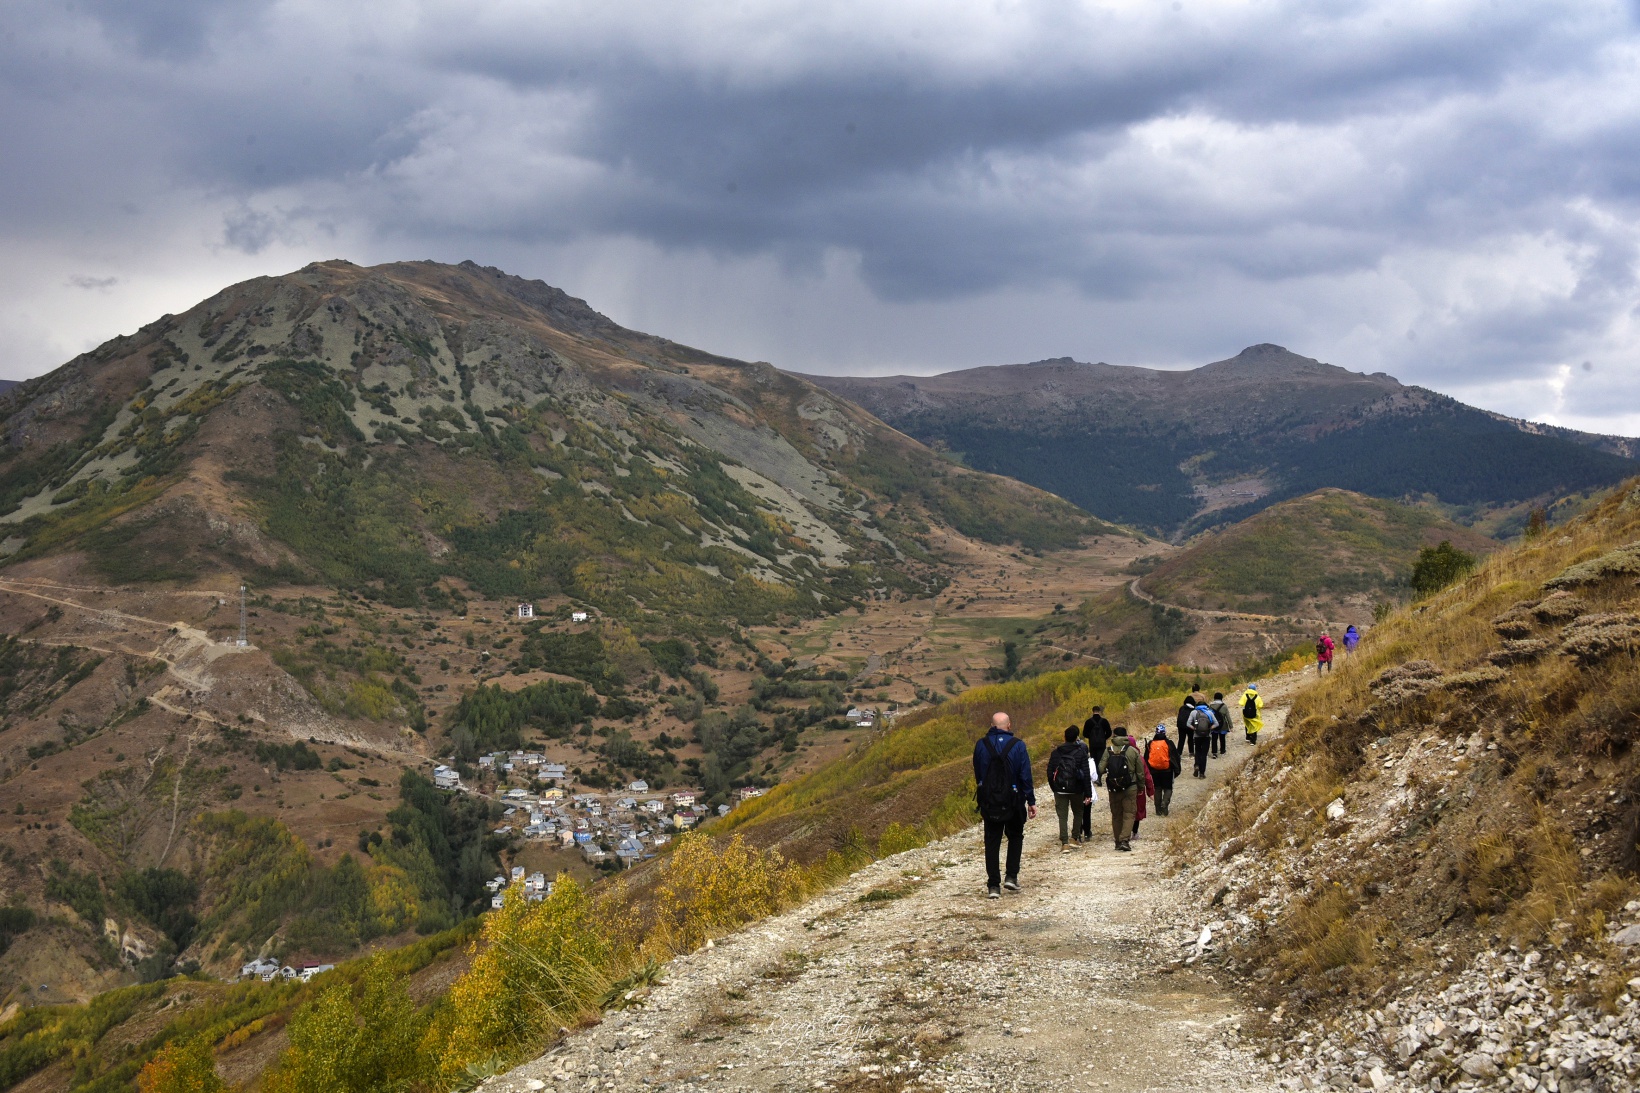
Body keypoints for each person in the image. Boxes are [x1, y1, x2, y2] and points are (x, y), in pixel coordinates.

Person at [973, 712, 1036, 898]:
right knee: (1015, 836)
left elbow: (978, 773)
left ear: (991, 725)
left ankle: (993, 886)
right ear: (1009, 725)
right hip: (1014, 800)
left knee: (992, 841)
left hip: (989, 801)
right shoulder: (1018, 745)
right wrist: (1031, 801)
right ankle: (1011, 876)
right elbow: (1025, 775)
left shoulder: (981, 745)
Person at [1046, 726, 1093, 852]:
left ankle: (1065, 843)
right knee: (1078, 812)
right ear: (1077, 737)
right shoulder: (1081, 752)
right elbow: (1086, 774)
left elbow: (1050, 772)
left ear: (1064, 737)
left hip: (1060, 789)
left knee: (1063, 816)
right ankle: (1074, 838)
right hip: (1077, 788)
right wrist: (1088, 793)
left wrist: (1054, 787)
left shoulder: (1056, 753)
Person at [1103, 729, 1143, 852]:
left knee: (1116, 815)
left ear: (1114, 736)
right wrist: (1141, 787)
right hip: (1130, 787)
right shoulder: (1133, 751)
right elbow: (1140, 772)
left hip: (1114, 787)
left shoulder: (1108, 751)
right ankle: (1125, 840)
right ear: (1126, 736)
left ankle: (1117, 841)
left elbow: (1100, 769)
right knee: (1129, 814)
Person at [1146, 723, 1180, 816]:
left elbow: (1146, 758)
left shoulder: (1150, 743)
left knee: (1157, 789)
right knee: (1168, 788)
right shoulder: (1169, 743)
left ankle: (1158, 809)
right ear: (1164, 732)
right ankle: (1165, 803)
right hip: (1167, 770)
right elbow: (1175, 757)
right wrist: (1177, 769)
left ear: (1156, 733)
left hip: (1154, 770)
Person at [1129, 733, 1156, 839]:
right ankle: (1134, 832)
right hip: (1138, 789)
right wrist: (1151, 791)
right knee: (1137, 810)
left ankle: (1124, 832)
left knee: (1125, 810)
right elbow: (1147, 776)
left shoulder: (1120, 756)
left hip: (1123, 788)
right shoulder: (1139, 758)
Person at [1083, 706, 1113, 785]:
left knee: (1094, 760)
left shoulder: (1088, 722)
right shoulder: (1104, 721)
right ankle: (1099, 777)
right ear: (1099, 711)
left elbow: (1084, 733)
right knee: (1101, 760)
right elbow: (1109, 732)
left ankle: (1095, 777)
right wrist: (1104, 738)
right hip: (1101, 744)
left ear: (1092, 711)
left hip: (1092, 744)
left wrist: (1091, 737)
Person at [1188, 702, 1218, 778]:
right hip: (1206, 736)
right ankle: (1202, 773)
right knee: (1204, 754)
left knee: (1197, 751)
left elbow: (1188, 724)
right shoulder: (1209, 712)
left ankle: (1197, 765)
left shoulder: (1193, 712)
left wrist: (1195, 729)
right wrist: (1210, 728)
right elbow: (1216, 723)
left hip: (1197, 736)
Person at [1207, 691, 1233, 758]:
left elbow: (1208, 716)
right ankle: (1222, 750)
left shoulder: (1211, 706)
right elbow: (1228, 717)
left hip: (1214, 725)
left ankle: (1214, 752)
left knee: (1214, 738)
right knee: (1222, 738)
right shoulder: (1224, 706)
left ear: (1214, 698)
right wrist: (1231, 726)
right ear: (1221, 698)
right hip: (1223, 725)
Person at [1176, 693, 1199, 762]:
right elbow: (1196, 719)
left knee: (1181, 739)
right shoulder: (1194, 709)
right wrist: (1196, 726)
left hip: (1180, 725)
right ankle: (1191, 752)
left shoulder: (1182, 708)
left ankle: (1178, 753)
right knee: (1190, 739)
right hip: (1189, 726)